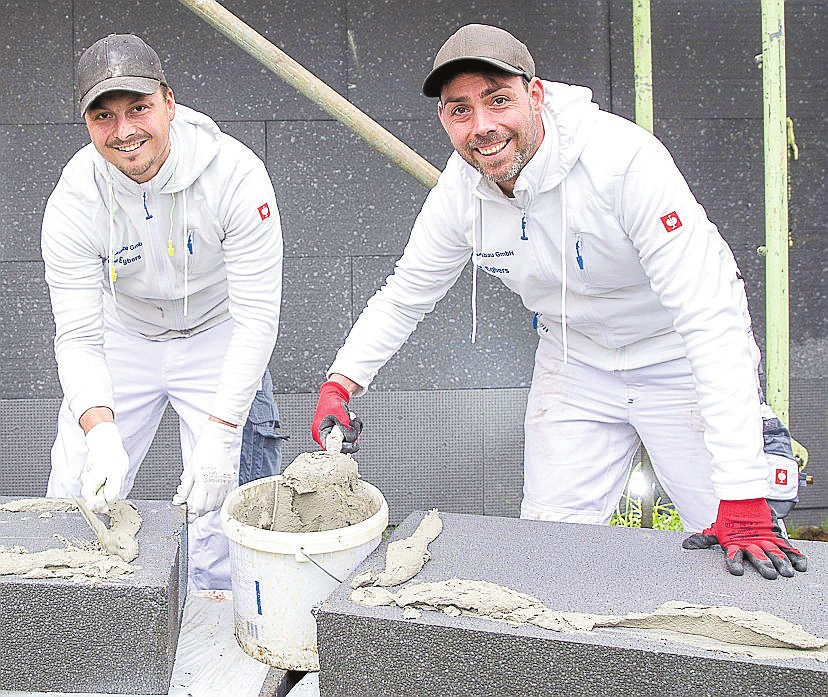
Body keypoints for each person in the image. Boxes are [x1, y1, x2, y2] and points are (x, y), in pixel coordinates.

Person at [311, 24, 807, 580]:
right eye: (460, 110)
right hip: (576, 363)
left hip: (677, 359)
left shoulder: (623, 161)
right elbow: (405, 295)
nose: (483, 127)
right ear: (443, 120)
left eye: (498, 100)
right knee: (550, 548)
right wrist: (342, 381)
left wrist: (740, 490)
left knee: (738, 541)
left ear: (536, 95)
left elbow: (710, 320)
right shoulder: (459, 192)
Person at [42, 34, 283, 589]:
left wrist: (222, 438)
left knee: (220, 505)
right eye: (103, 116)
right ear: (85, 123)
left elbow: (256, 319)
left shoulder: (235, 176)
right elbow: (77, 337)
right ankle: (67, 619)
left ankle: (218, 624)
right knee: (77, 485)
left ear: (168, 103)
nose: (124, 131)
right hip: (124, 334)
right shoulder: (75, 198)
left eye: (139, 108)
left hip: (217, 332)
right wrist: (101, 434)